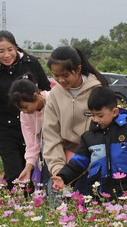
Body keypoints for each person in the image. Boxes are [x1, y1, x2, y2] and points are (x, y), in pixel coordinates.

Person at [0, 30, 51, 188]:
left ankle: (30, 205)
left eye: (10, 49)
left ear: (16, 47)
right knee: (14, 173)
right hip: (7, 130)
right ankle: (14, 206)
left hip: (34, 126)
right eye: (1, 51)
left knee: (33, 171)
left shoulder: (30, 63)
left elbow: (45, 89)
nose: (6, 55)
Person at [51, 87, 127, 199]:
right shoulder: (89, 137)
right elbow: (78, 162)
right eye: (92, 115)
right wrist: (63, 177)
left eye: (100, 115)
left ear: (114, 112)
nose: (95, 119)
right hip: (99, 192)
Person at [42, 46, 109, 196]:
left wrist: (84, 163)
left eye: (65, 75)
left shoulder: (97, 91)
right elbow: (51, 134)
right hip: (61, 157)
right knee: (56, 206)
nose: (60, 80)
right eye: (55, 76)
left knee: (86, 206)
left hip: (92, 159)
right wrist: (58, 169)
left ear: (78, 69)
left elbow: (103, 130)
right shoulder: (55, 94)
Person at [8, 75, 50, 193]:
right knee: (45, 188)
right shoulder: (25, 116)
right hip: (45, 154)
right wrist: (28, 167)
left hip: (63, 150)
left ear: (35, 96)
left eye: (25, 107)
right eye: (21, 110)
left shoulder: (53, 100)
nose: (24, 112)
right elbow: (32, 143)